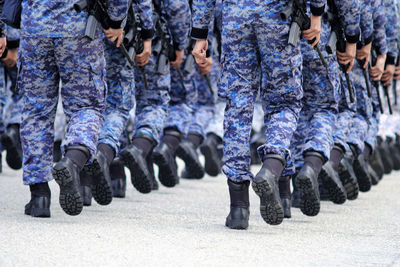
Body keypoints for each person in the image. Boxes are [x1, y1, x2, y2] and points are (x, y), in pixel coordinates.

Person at [191, 0, 324, 229]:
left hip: (236, 17)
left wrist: (200, 33)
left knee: (238, 105)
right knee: (285, 102)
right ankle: (272, 168)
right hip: (277, 15)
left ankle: (238, 208)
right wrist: (317, 13)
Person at [19, 0, 128, 217]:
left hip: (34, 27)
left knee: (36, 110)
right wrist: (116, 20)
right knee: (86, 106)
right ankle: (73, 160)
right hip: (78, 27)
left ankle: (39, 195)